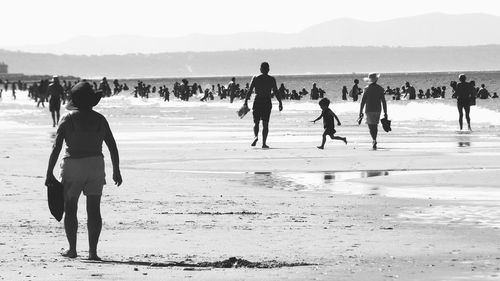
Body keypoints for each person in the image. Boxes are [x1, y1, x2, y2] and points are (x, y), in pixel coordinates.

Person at [45, 81, 122, 260]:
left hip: (73, 165)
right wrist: (116, 170)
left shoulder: (68, 118)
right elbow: (112, 146)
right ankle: (93, 252)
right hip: (96, 164)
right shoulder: (100, 119)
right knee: (94, 210)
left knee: (70, 208)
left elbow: (56, 147)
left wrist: (49, 172)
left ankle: (72, 250)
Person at [243, 62, 283, 149]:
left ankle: (255, 137)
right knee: (265, 123)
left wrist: (245, 101)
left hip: (258, 100)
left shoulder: (255, 78)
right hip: (267, 101)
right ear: (268, 69)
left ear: (260, 69)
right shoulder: (271, 79)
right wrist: (280, 102)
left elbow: (249, 90)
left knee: (256, 122)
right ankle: (264, 143)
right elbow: (276, 91)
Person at [359, 73, 388, 150]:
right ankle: (374, 139)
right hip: (378, 110)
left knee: (370, 127)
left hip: (369, 110)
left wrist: (360, 112)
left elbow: (362, 102)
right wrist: (385, 112)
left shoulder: (366, 89)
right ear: (376, 79)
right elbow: (383, 102)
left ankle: (374, 140)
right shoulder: (380, 89)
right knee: (375, 126)